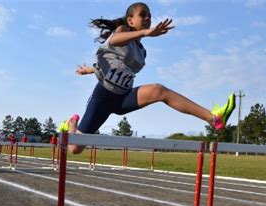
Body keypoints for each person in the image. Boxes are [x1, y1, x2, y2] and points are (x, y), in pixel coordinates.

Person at [57, 2, 235, 154]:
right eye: (143, 15)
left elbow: (117, 65)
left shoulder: (142, 52)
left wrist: (90, 69)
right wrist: (144, 33)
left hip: (123, 98)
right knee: (75, 149)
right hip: (103, 98)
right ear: (130, 20)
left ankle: (214, 119)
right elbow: (115, 41)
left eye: (150, 16)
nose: (148, 18)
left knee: (159, 90)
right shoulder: (122, 30)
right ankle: (72, 122)